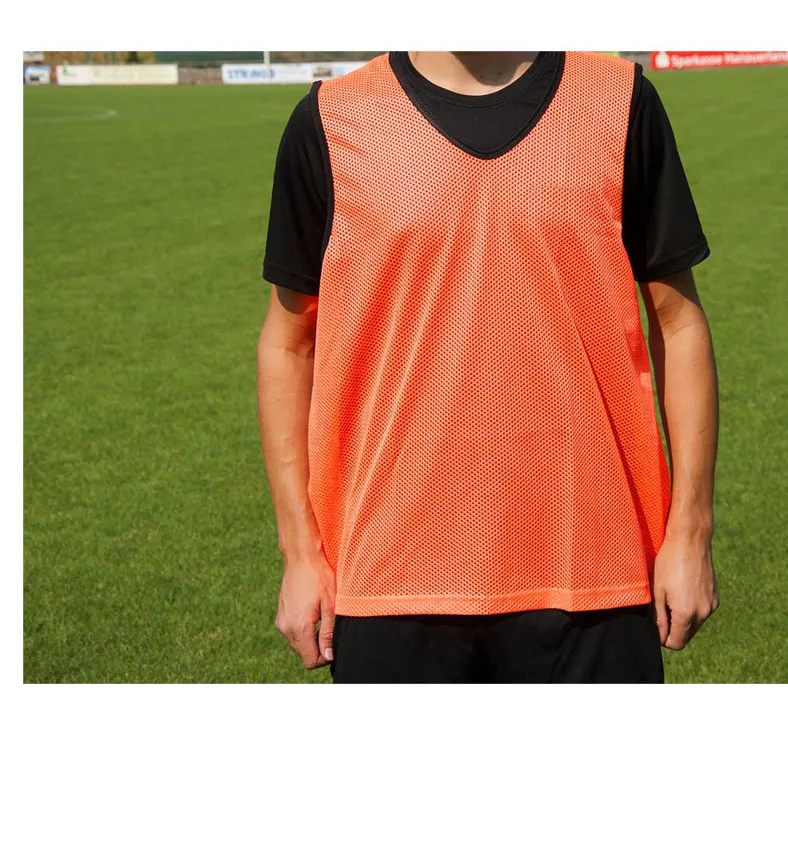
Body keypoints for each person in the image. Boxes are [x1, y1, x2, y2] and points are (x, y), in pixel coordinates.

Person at [257, 51, 719, 683]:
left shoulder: (619, 101)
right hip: (387, 580)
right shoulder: (330, 120)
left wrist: (691, 530)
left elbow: (679, 322)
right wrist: (298, 551)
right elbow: (289, 344)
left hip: (598, 568)